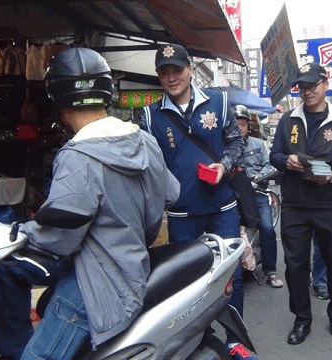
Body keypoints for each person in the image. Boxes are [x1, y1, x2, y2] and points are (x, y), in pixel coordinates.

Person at [0, 48, 180, 360]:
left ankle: (12, 351)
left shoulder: (77, 156)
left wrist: (21, 232)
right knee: (8, 270)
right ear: (107, 91)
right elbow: (171, 193)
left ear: (58, 101)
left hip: (96, 280)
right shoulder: (145, 141)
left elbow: (60, 239)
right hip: (134, 262)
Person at [140, 44, 256, 360]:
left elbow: (235, 141)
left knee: (230, 277)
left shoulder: (218, 102)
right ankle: (198, 339)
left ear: (190, 69)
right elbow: (148, 163)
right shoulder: (150, 115)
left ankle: (236, 340)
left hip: (222, 209)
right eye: (164, 72)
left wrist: (225, 165)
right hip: (180, 213)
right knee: (189, 282)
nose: (171, 77)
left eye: (176, 70)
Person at [270, 62, 332, 345]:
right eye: (302, 86)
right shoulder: (288, 120)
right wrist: (285, 161)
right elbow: (273, 154)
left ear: (325, 84)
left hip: (330, 203)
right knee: (295, 264)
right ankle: (302, 319)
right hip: (296, 204)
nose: (308, 91)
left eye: (313, 85)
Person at [235, 104, 283, 288]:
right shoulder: (226, 147)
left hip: (258, 193)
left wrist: (258, 178)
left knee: (267, 228)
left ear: (248, 125)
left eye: (242, 124)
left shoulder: (259, 144)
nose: (239, 128)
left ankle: (270, 271)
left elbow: (270, 165)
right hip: (236, 197)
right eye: (235, 124)